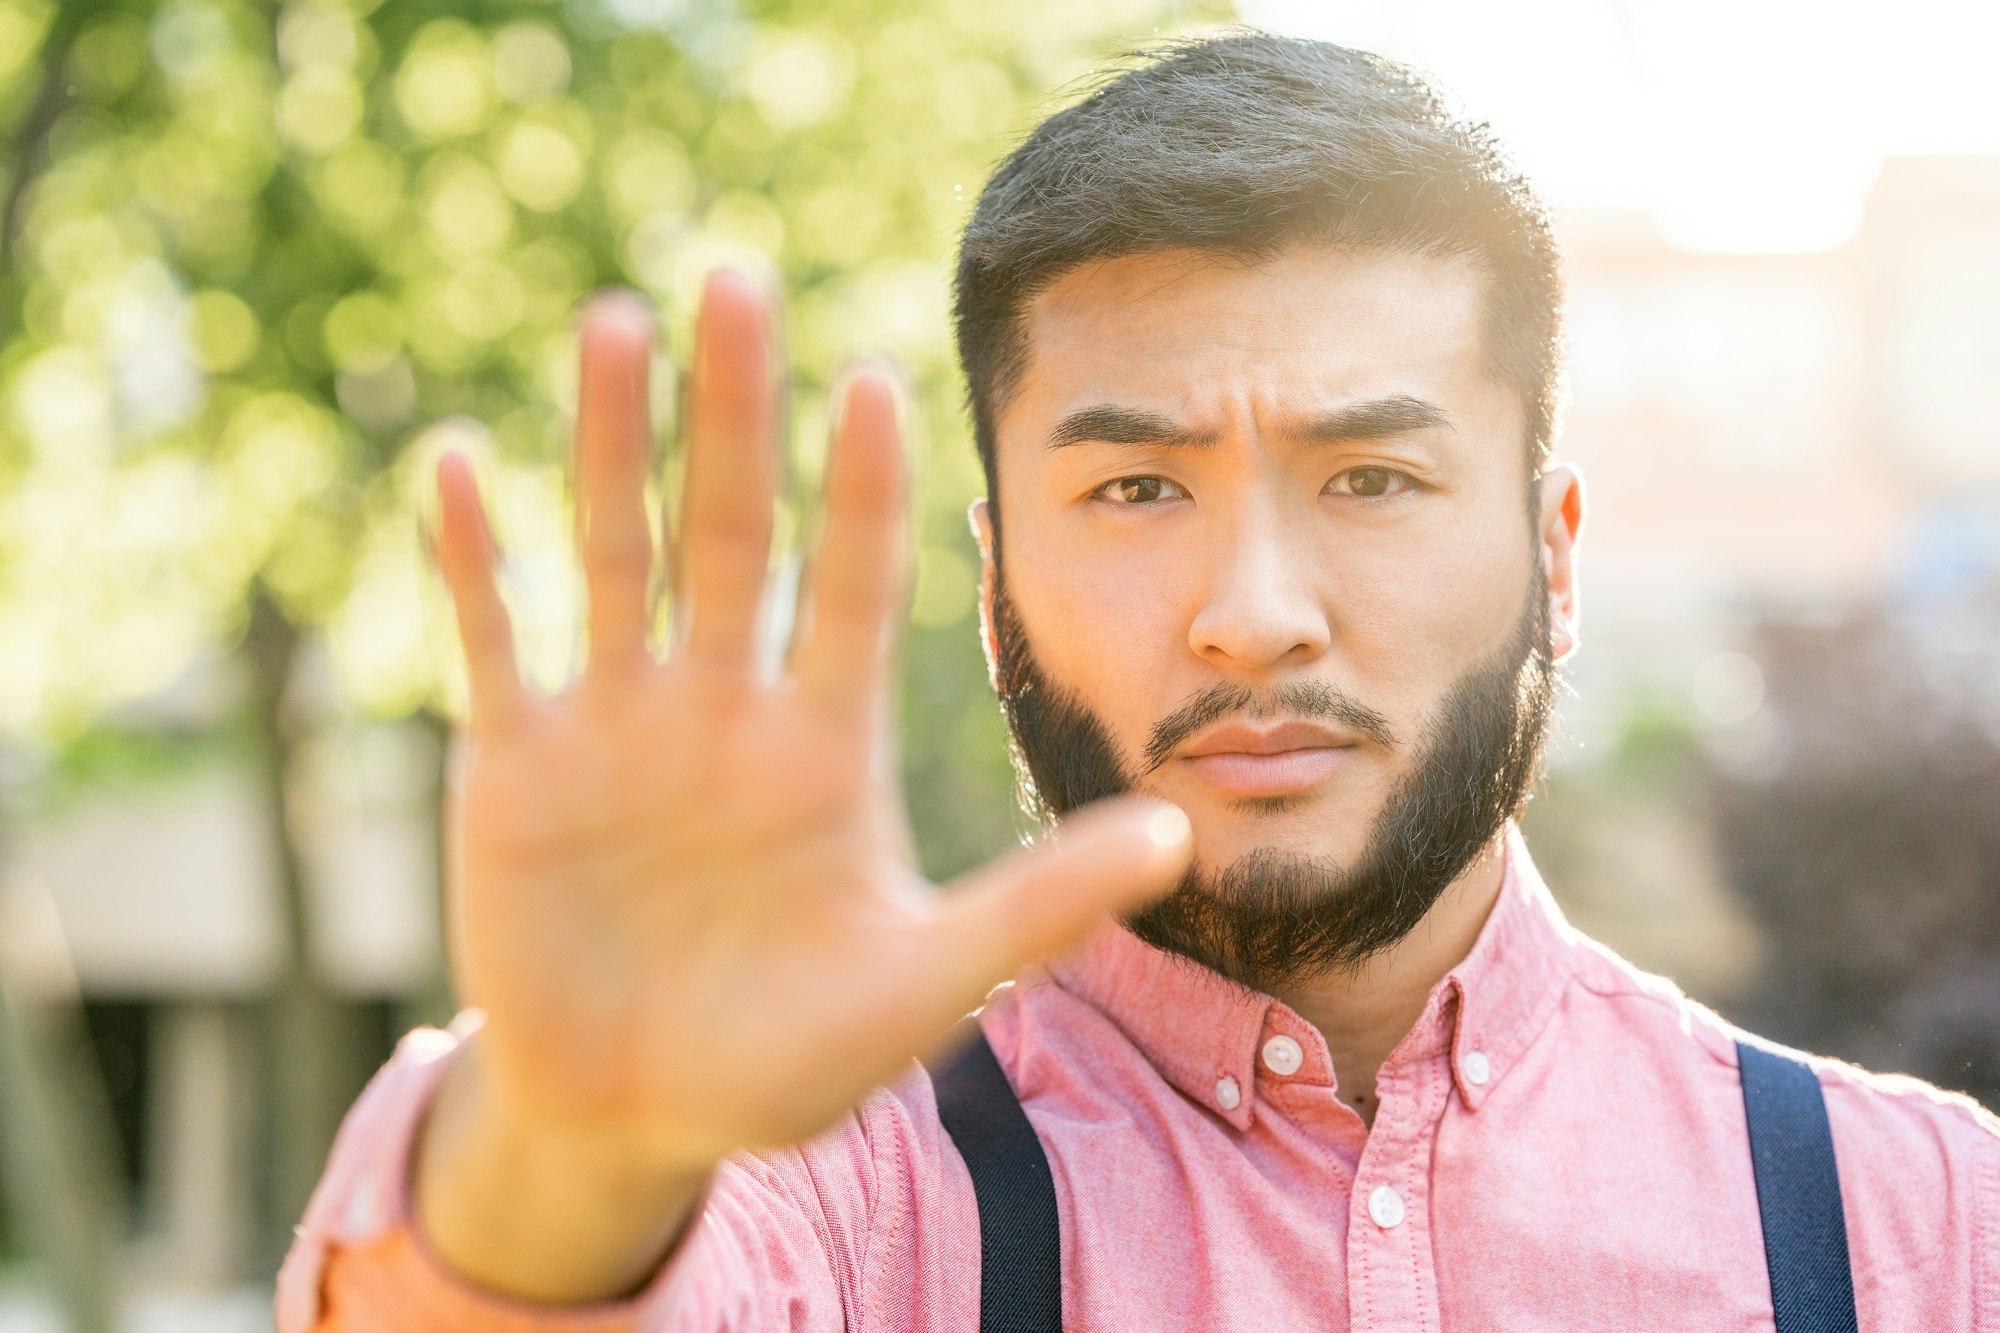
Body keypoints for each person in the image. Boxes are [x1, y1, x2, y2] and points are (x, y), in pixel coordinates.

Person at [278, 33, 1999, 1331]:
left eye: (1373, 478)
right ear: (996, 578)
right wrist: (576, 1150)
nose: (1252, 614)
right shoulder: (829, 1208)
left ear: (1555, 551)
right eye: (1136, 488)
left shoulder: (1920, 1228)